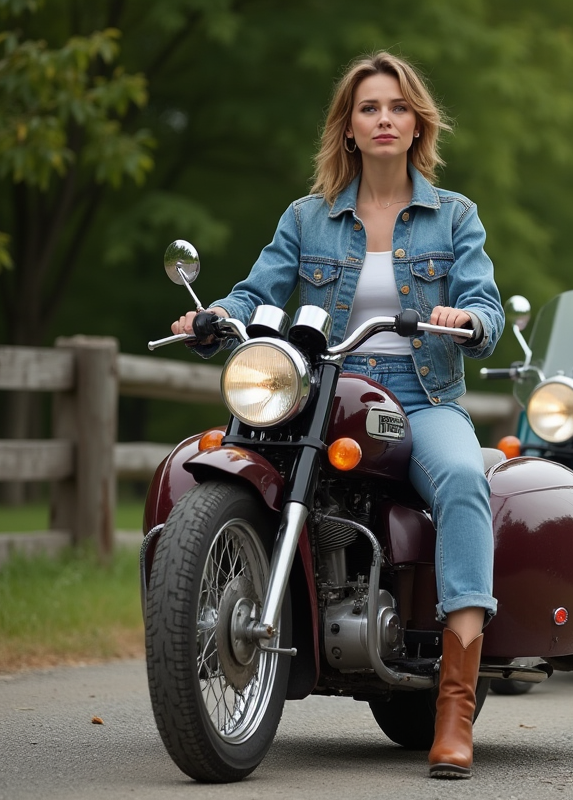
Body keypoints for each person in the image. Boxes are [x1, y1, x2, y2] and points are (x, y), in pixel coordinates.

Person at [170, 50, 503, 780]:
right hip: (325, 389)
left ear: (418, 123)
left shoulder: (455, 218)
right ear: (348, 128)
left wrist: (466, 321)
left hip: (421, 395)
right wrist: (217, 316)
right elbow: (258, 289)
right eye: (369, 109)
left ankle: (455, 707)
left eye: (397, 108)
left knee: (462, 482)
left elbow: (488, 310)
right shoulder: (307, 218)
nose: (384, 119)